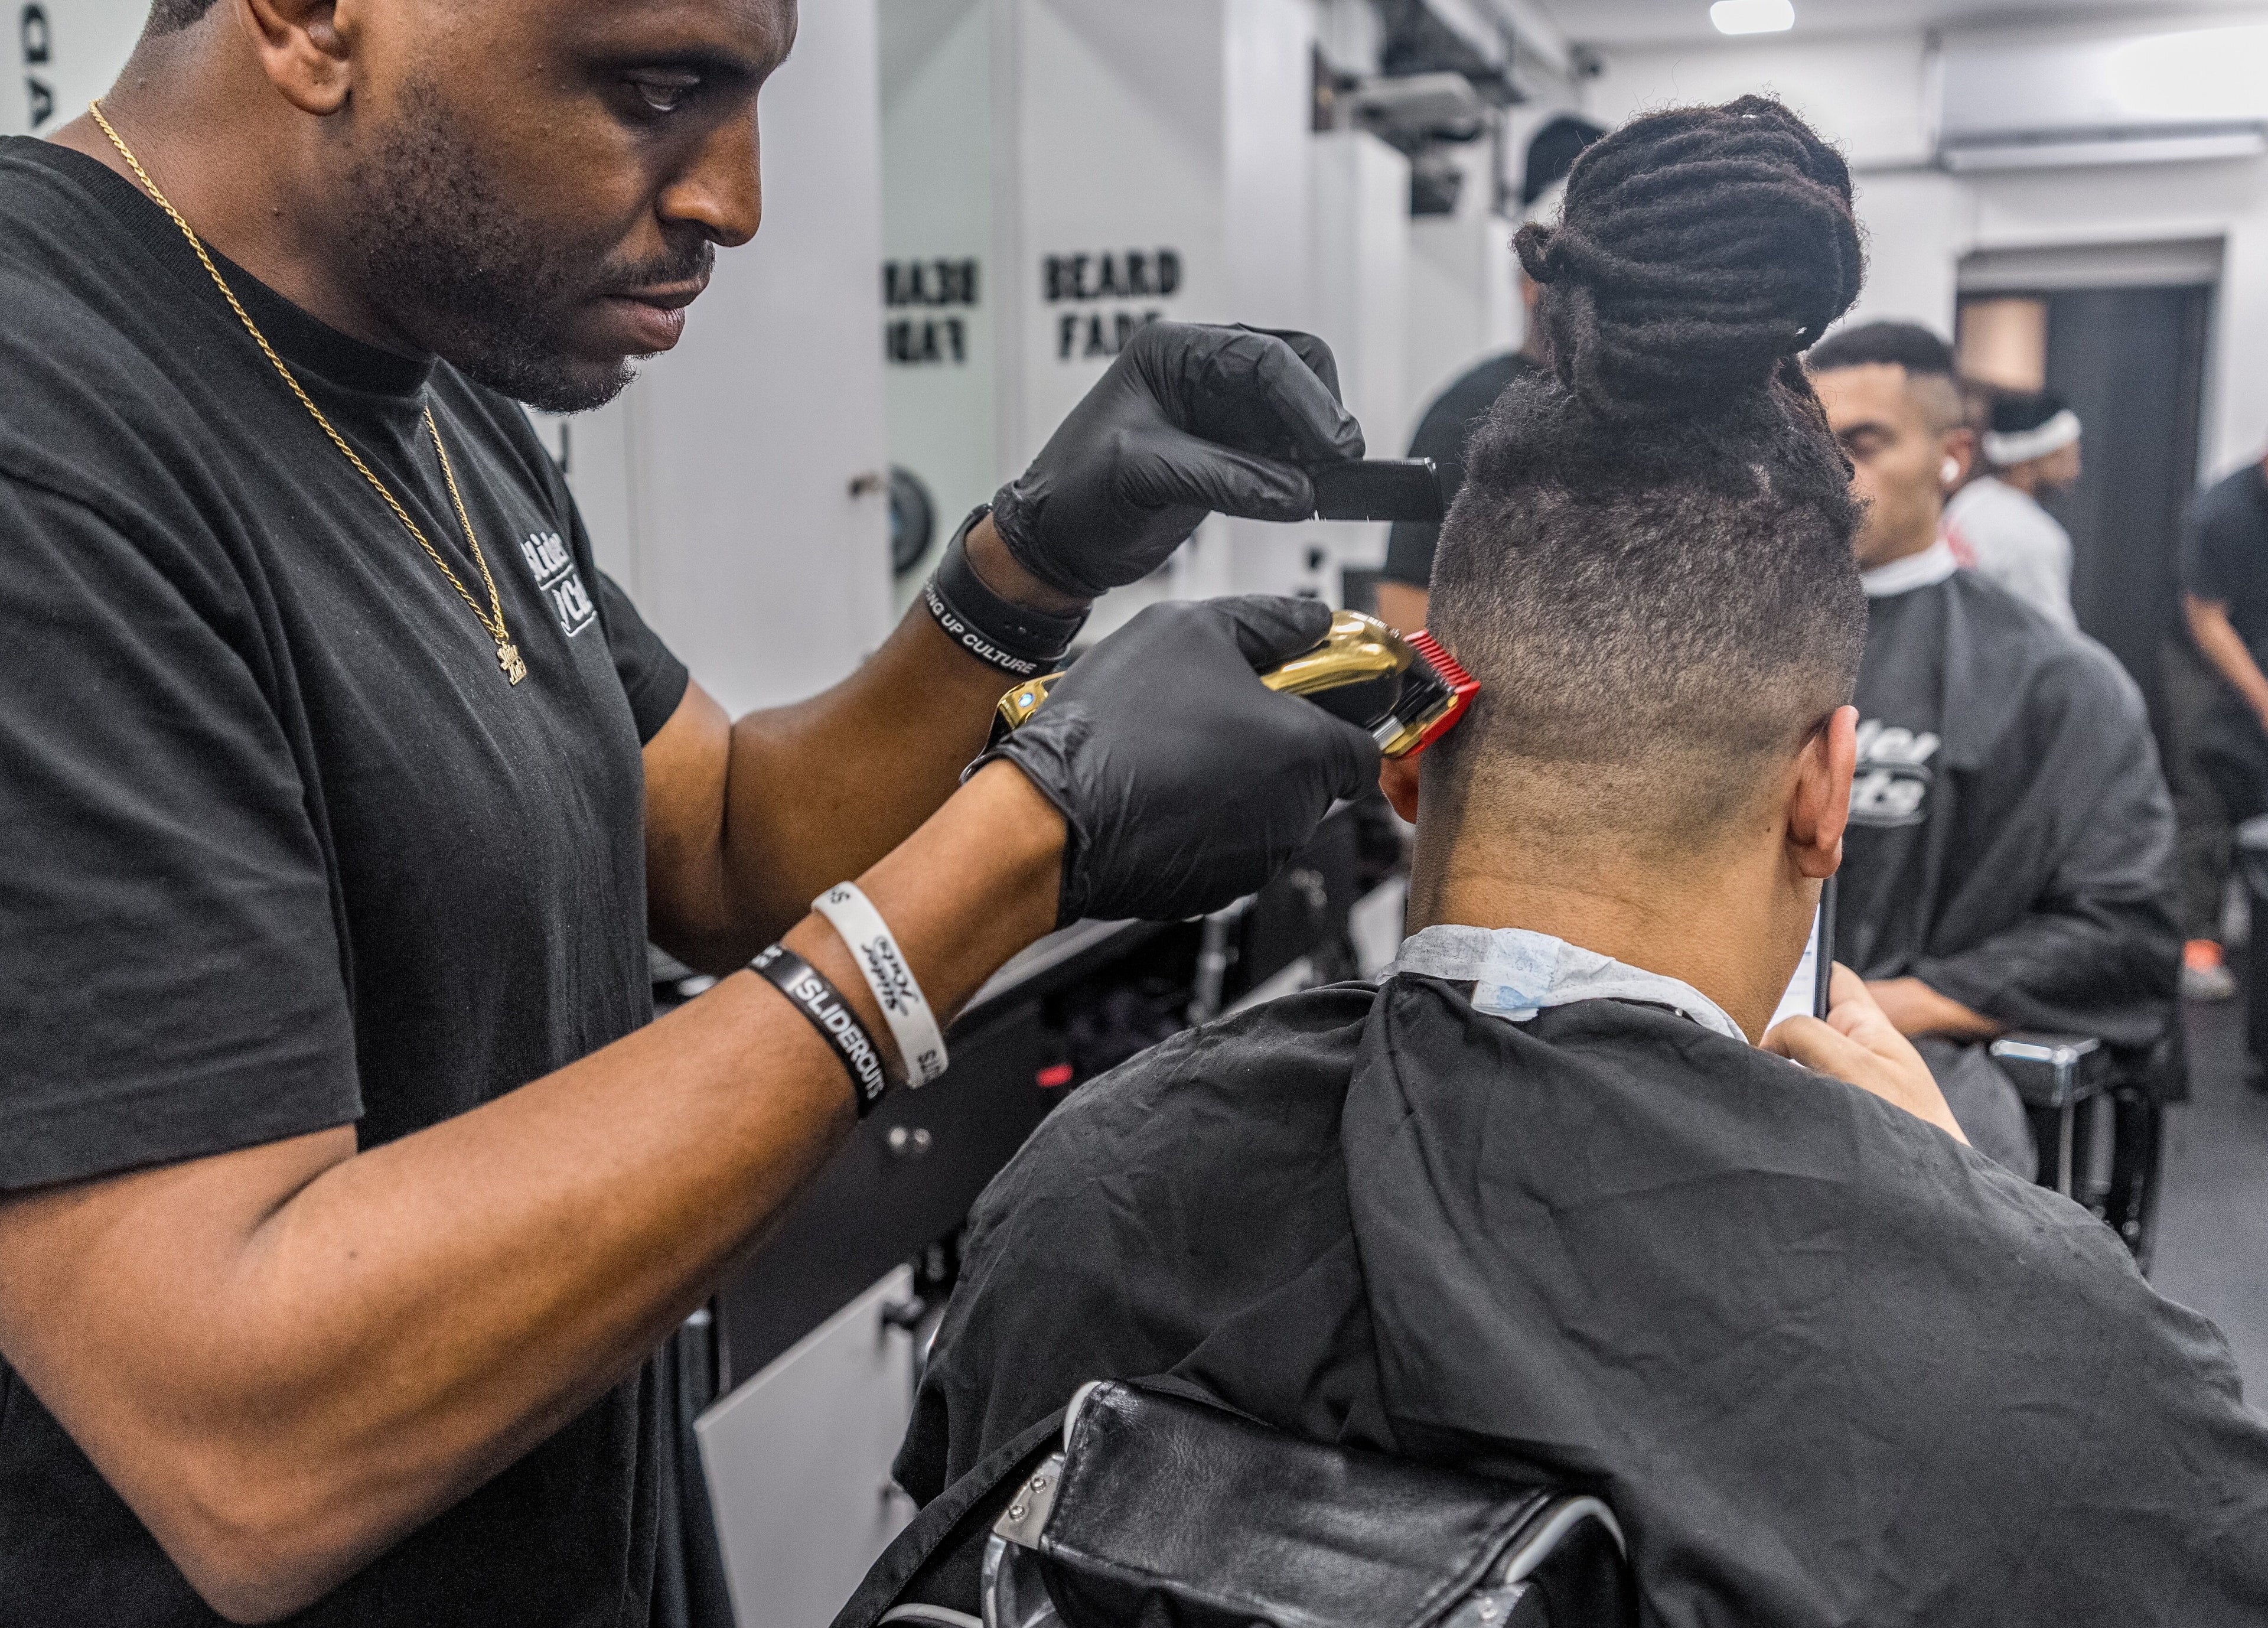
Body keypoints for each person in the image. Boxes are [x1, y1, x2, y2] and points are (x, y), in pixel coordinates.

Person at [0, 2, 1388, 1623]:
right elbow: (245, 1433)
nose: (735, 198)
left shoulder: (430, 386)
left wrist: (1029, 570)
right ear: (311, 19)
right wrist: (1029, 838)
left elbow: (724, 841)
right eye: (657, 89)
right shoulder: (48, 433)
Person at [854, 100, 2268, 1628]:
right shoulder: (2079, 1380)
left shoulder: (1084, 1188)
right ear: (1826, 794)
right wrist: (1978, 1228)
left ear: (1407, 752)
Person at [1806, 323, 2179, 1178]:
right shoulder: (1721, 655)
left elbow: (2123, 929)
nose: (1829, 474)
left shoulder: (2056, 682)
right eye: (1810, 447)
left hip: (1919, 1064)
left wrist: (1885, 1001)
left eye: (1864, 443)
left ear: (1954, 455)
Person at [1373, 113, 1602, 634]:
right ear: (1528, 285)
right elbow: (1407, 600)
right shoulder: (1467, 414)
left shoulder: (1629, 410)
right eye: (1568, 275)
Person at [2181, 451, 2268, 1015]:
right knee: (2206, 807)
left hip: (2259, 656)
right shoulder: (2223, 514)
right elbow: (2206, 618)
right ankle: (2197, 947)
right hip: (2209, 675)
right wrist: (2263, 699)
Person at [1942, 389, 2081, 627]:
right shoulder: (2035, 538)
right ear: (2028, 460)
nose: (2075, 471)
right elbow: (2051, 636)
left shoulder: (1971, 498)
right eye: (2064, 457)